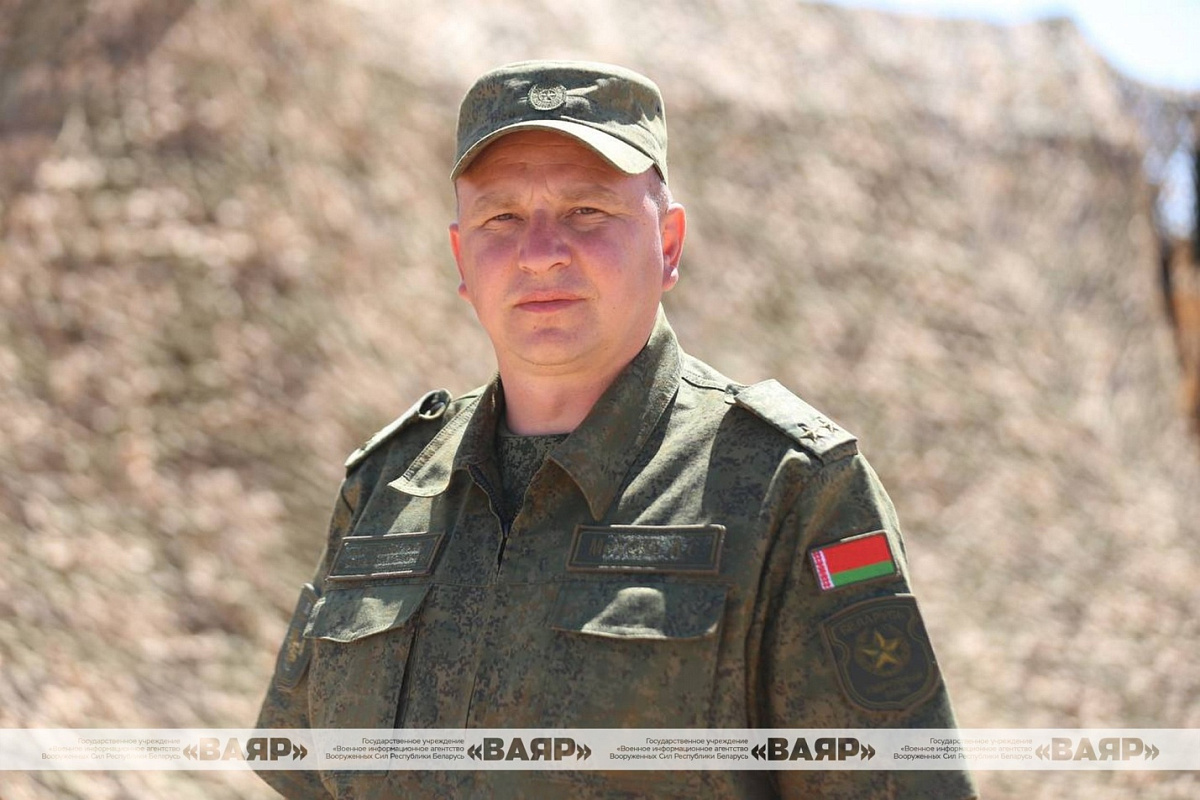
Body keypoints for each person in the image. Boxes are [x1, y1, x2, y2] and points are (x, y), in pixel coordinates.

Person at [255, 59, 978, 799]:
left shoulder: (789, 490)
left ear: (668, 244)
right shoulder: (385, 487)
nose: (541, 253)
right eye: (501, 218)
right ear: (461, 257)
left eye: (586, 211)